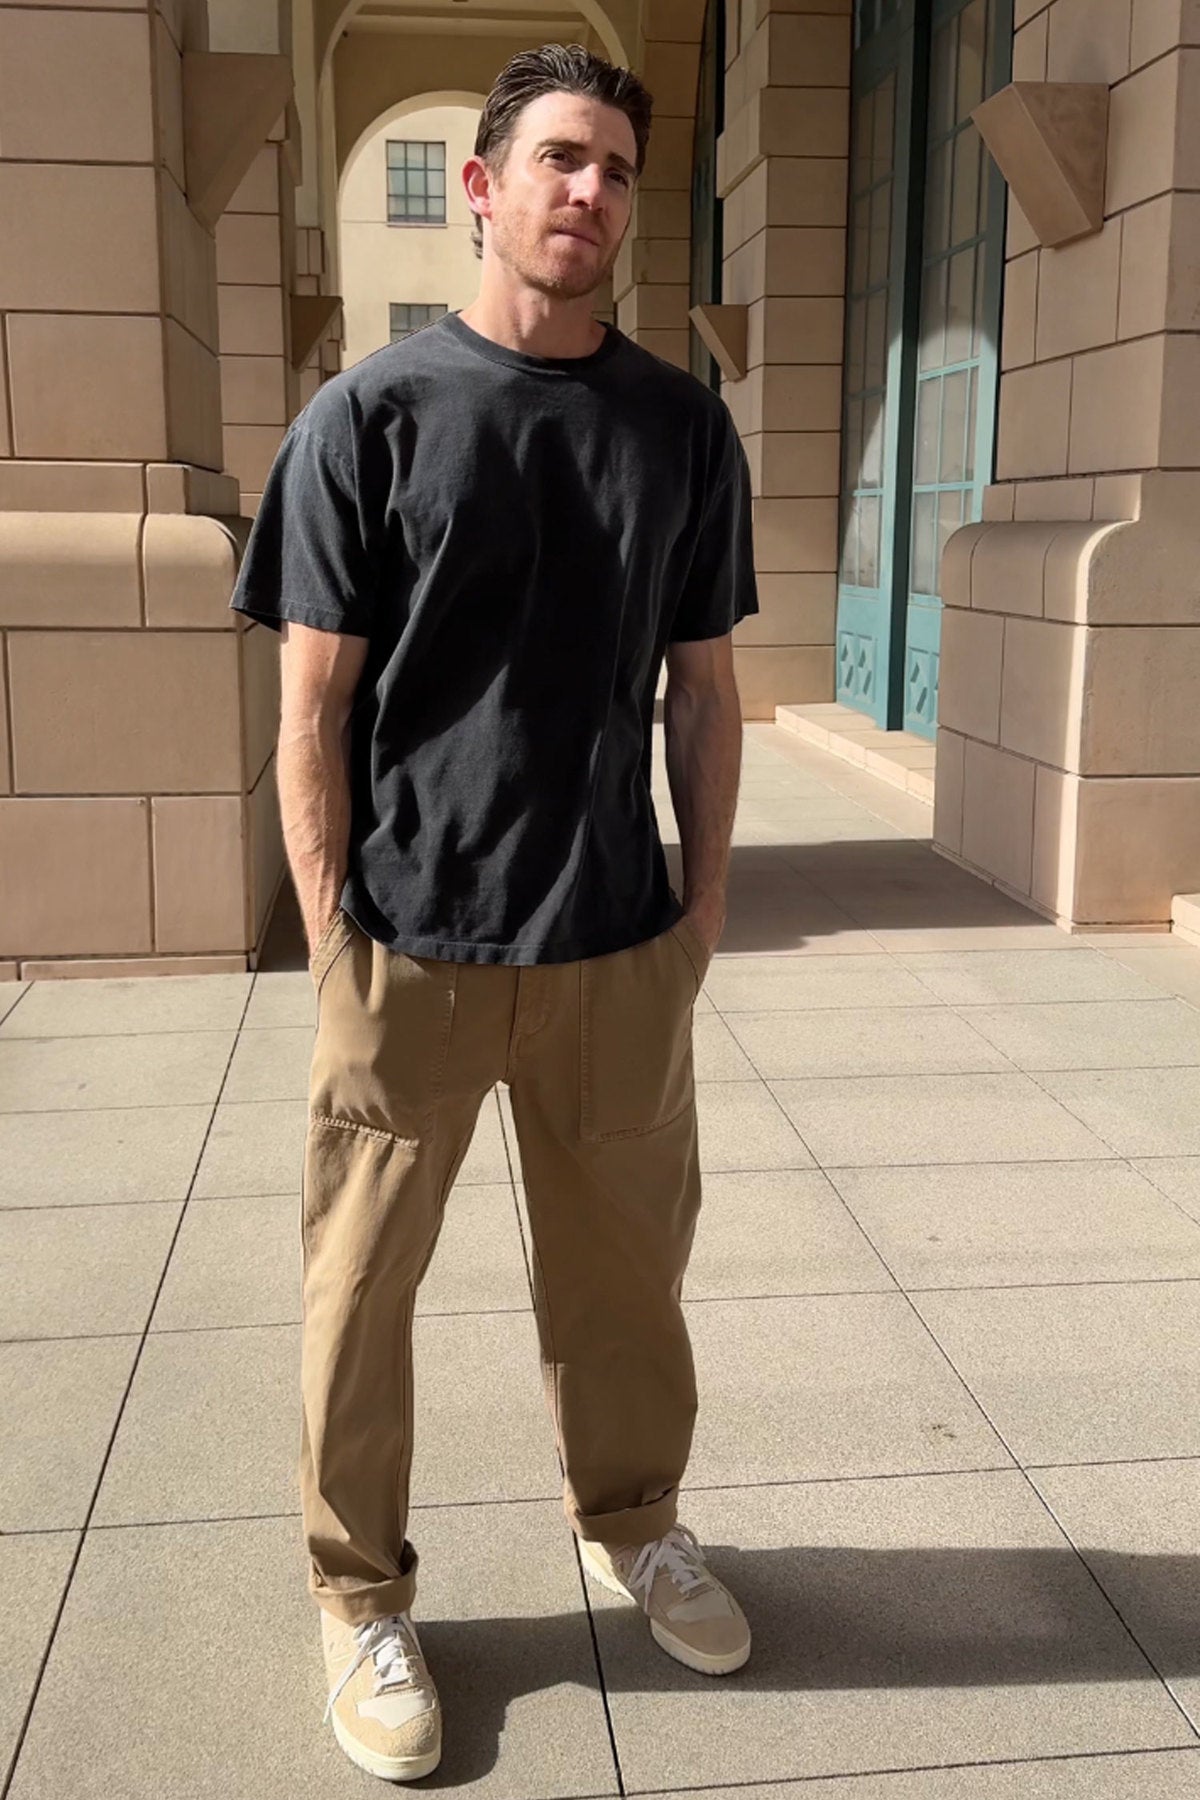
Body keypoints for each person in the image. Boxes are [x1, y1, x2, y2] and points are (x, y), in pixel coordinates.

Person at [231, 41, 758, 1783]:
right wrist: (332, 937)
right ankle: (359, 1593)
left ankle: (636, 1519)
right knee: (361, 1290)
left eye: (615, 166)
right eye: (557, 159)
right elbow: (313, 705)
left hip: (616, 942)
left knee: (626, 1288)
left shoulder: (681, 424)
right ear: (482, 185)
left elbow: (702, 687)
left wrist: (701, 914)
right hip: (411, 945)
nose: (589, 192)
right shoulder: (370, 420)